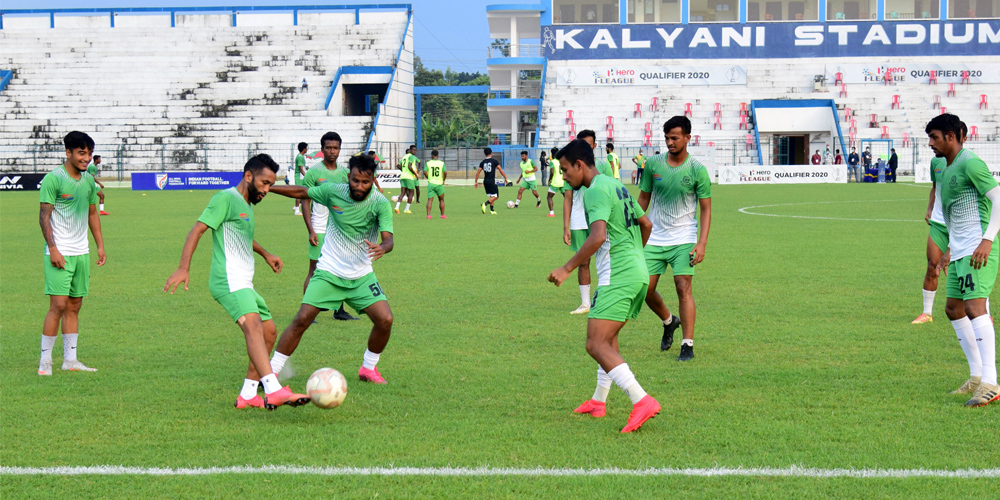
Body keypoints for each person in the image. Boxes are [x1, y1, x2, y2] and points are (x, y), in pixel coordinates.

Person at [164, 154, 310, 410]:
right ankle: (273, 389)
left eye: (270, 185)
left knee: (269, 331)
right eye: (264, 183)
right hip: (228, 280)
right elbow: (198, 229)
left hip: (244, 281)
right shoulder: (225, 198)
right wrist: (183, 268)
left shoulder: (246, 205)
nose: (267, 190)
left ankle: (248, 394)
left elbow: (243, 235)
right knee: (252, 325)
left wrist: (266, 254)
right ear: (248, 176)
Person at [547, 139, 660, 434]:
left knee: (595, 344)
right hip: (636, 273)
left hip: (618, 277)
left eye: (565, 170)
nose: (564, 177)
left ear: (579, 165)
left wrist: (566, 268)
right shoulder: (615, 184)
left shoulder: (595, 190)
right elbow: (646, 224)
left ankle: (642, 400)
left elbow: (597, 236)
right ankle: (599, 401)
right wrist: (634, 257)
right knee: (607, 340)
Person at [265, 154, 396, 385]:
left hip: (361, 276)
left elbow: (389, 239)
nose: (359, 186)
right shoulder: (334, 191)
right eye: (355, 180)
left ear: (372, 180)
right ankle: (271, 373)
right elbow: (302, 192)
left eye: (365, 182)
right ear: (349, 177)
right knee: (302, 319)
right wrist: (268, 187)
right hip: (329, 272)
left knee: (385, 320)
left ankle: (368, 369)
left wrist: (382, 248)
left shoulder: (380, 203)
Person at [928, 113, 1000, 407]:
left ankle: (990, 382)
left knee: (974, 308)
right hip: (959, 250)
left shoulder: (970, 163)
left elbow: (999, 198)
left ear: (951, 136)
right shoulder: (945, 168)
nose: (930, 143)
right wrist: (948, 250)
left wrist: (987, 239)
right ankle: (976, 375)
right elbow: (956, 215)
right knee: (953, 309)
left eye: (934, 137)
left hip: (977, 249)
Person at [638, 116, 712, 361]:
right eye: (667, 138)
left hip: (684, 237)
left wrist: (701, 243)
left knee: (683, 287)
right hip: (654, 237)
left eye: (675, 138)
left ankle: (687, 345)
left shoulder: (697, 170)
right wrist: (633, 228)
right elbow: (643, 199)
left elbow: (705, 209)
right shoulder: (653, 164)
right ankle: (669, 321)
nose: (670, 142)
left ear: (687, 138)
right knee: (644, 289)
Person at [37, 131, 107, 376]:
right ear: (68, 153)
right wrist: (53, 249)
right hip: (59, 252)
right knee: (57, 305)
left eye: (89, 153)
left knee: (75, 305)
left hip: (81, 252)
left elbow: (92, 214)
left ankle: (70, 360)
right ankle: (45, 362)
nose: (86, 158)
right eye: (81, 153)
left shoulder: (88, 180)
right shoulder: (53, 179)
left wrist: (99, 245)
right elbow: (43, 217)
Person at [301, 132, 359, 321]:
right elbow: (305, 201)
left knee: (340, 268)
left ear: (340, 149)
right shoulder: (314, 172)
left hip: (339, 230)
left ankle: (339, 311)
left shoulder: (345, 173)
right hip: (319, 228)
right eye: (328, 148)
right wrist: (310, 230)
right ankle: (307, 313)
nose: (332, 151)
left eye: (335, 148)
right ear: (322, 149)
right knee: (314, 270)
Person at [562, 130, 615, 314]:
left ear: (594, 146)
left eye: (588, 144)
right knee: (583, 262)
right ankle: (586, 303)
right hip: (579, 220)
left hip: (600, 218)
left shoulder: (603, 167)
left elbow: (612, 190)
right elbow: (568, 198)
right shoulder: (571, 169)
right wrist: (566, 226)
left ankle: (605, 299)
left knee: (606, 259)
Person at [476, 147, 508, 214]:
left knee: (492, 195)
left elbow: (478, 172)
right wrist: (505, 178)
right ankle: (485, 204)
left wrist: (476, 182)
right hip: (492, 181)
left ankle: (492, 210)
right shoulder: (494, 161)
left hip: (485, 181)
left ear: (485, 154)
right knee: (496, 196)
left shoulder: (482, 162)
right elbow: (500, 170)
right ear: (491, 153)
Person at [395, 145, 420, 213]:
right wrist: (415, 174)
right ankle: (406, 209)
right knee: (411, 193)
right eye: (413, 150)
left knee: (402, 193)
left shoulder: (404, 157)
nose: (414, 151)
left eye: (415, 150)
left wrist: (403, 170)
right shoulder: (412, 157)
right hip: (409, 177)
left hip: (402, 176)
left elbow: (398, 165)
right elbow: (409, 166)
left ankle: (397, 207)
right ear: (410, 150)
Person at [424, 149, 447, 219]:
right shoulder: (441, 163)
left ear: (431, 156)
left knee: (430, 200)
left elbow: (425, 172)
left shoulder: (428, 163)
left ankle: (428, 215)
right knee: (441, 199)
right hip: (439, 183)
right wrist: (443, 179)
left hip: (431, 183)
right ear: (438, 156)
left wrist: (428, 177)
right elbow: (445, 172)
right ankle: (442, 215)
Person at [547, 146, 566, 218]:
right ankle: (572, 212)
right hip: (563, 182)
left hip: (555, 182)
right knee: (567, 198)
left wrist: (549, 180)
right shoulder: (562, 161)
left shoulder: (553, 161)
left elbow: (552, 172)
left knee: (549, 197)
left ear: (552, 154)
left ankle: (551, 213)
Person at [293, 142, 308, 215]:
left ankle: (296, 206)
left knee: (302, 193)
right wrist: (306, 176)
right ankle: (296, 210)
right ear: (304, 149)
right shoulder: (300, 157)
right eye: (306, 148)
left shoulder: (301, 156)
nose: (307, 149)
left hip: (301, 176)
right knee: (299, 193)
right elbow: (300, 168)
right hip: (299, 177)